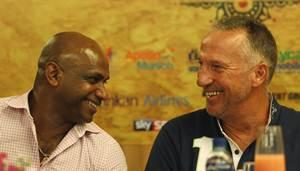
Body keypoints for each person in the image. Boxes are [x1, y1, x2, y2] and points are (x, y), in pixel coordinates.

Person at [145, 16, 300, 171]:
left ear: (258, 74)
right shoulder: (176, 136)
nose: (201, 79)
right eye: (201, 64)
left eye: (217, 67)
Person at [0, 32, 127, 170]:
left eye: (104, 82)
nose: (104, 94)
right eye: (93, 79)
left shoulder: (105, 153)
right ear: (54, 74)